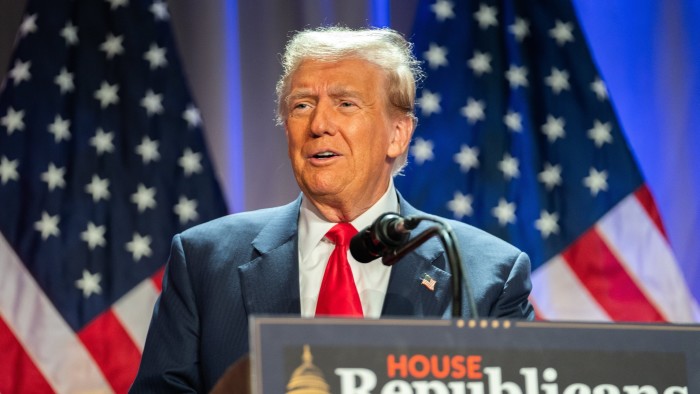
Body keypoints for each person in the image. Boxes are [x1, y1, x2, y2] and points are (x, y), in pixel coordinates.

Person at [130, 26, 534, 392]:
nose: (319, 123)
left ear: (398, 134)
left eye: (345, 104)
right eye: (302, 105)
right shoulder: (204, 259)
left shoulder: (488, 275)